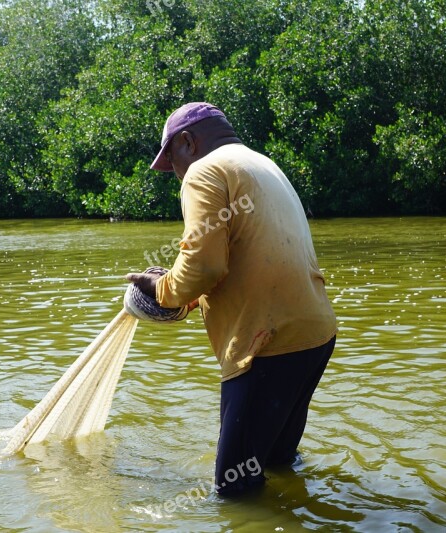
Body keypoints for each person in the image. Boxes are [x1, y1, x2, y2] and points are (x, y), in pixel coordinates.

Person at [126, 102, 337, 495]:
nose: (175, 174)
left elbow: (204, 267)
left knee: (233, 490)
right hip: (315, 336)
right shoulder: (261, 163)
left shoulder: (204, 172)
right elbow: (244, 257)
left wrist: (164, 292)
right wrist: (184, 293)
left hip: (267, 345)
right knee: (275, 460)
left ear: (188, 142)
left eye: (171, 162)